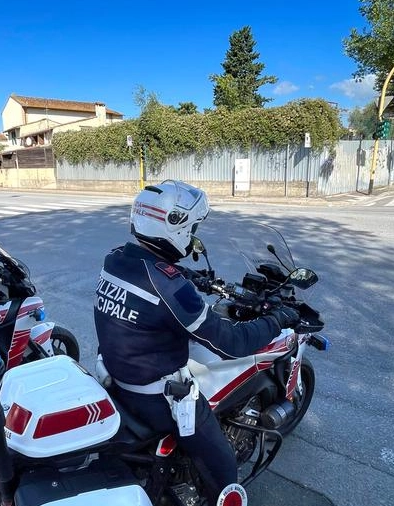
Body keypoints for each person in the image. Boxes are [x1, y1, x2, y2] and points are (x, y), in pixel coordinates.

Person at [93, 180, 300, 504]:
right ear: (175, 227)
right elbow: (231, 342)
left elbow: (156, 275)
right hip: (158, 398)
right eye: (191, 229)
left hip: (119, 375)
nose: (192, 237)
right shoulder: (173, 290)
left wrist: (195, 278)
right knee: (223, 465)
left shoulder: (116, 260)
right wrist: (277, 320)